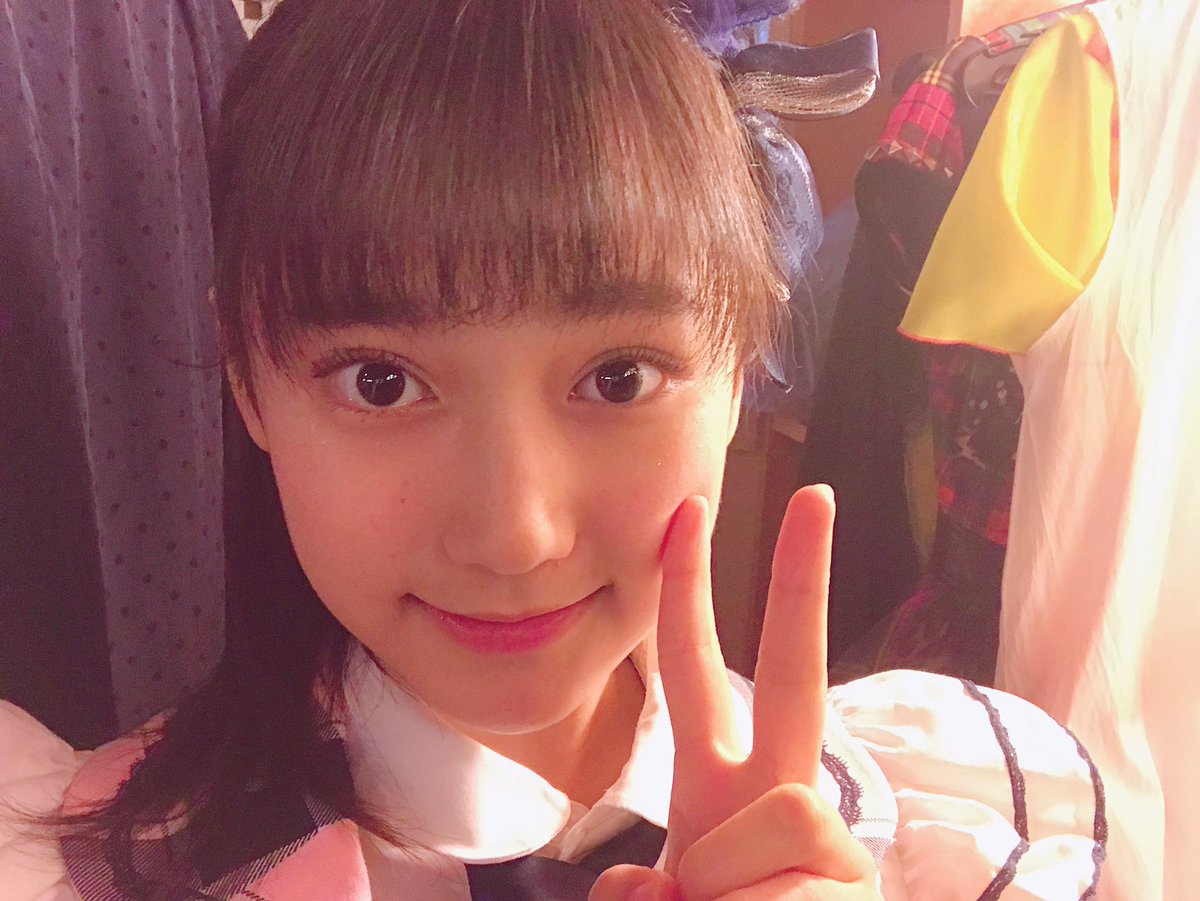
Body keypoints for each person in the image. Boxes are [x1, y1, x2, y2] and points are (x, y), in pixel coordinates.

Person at [0, 1, 1105, 898]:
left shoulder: (939, 832)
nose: (513, 535)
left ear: (743, 362)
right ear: (246, 379)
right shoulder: (77, 863)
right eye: (381, 382)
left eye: (618, 377)